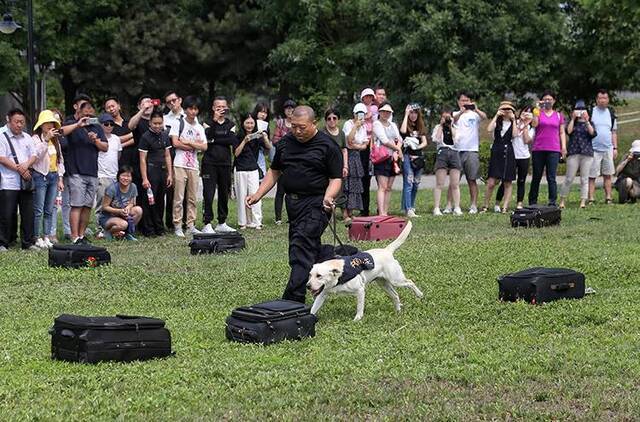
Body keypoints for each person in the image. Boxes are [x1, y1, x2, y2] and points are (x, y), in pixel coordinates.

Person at [246, 105, 343, 303]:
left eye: (302, 127)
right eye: (294, 127)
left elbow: (336, 178)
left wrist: (328, 197)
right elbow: (274, 171)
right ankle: (335, 259)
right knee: (306, 248)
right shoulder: (285, 143)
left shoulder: (327, 145)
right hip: (293, 204)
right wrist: (258, 193)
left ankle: (293, 299)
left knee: (301, 247)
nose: (297, 131)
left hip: (317, 203)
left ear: (314, 123)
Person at [62, 100, 108, 244]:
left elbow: (105, 147)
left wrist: (96, 141)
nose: (88, 114)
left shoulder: (96, 127)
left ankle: (81, 235)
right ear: (79, 111)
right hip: (76, 171)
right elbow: (61, 132)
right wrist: (78, 124)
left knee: (88, 206)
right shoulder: (71, 123)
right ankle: (74, 236)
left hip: (92, 172)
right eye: (85, 111)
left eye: (90, 111)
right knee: (76, 205)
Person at [0, 109, 38, 251]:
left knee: (28, 213)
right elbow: (2, 158)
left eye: (22, 122)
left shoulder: (27, 137)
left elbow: (34, 155)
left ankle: (27, 243)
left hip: (26, 181)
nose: (19, 125)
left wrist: (26, 166)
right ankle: (3, 242)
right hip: (8, 181)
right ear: (8, 120)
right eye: (16, 122)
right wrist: (20, 169)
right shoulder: (2, 136)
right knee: (6, 213)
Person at [170, 95, 207, 237]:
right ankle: (177, 225)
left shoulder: (199, 127)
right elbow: (175, 143)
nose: (193, 111)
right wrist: (193, 146)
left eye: (195, 109)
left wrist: (189, 143)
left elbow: (204, 147)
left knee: (192, 198)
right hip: (179, 164)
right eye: (190, 108)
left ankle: (190, 225)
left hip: (193, 166)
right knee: (178, 197)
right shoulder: (177, 123)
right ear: (185, 110)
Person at [202, 96, 237, 234]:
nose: (221, 109)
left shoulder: (231, 124)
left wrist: (216, 139)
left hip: (225, 163)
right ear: (213, 108)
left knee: (224, 192)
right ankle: (207, 222)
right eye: (218, 107)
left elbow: (232, 141)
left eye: (223, 107)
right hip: (209, 163)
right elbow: (207, 138)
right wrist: (215, 122)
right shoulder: (207, 122)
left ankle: (222, 222)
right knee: (208, 193)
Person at [31, 110, 65, 249]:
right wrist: (45, 139)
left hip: (53, 176)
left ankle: (46, 236)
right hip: (40, 176)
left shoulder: (56, 141)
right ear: (41, 125)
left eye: (51, 123)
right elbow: (36, 156)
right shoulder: (36, 139)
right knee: (38, 209)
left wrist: (60, 178)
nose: (49, 125)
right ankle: (36, 237)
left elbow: (60, 160)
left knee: (49, 209)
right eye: (46, 123)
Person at [529, 90, 567, 206]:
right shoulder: (538, 113)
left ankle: (552, 202)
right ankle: (532, 201)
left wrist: (563, 147)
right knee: (537, 176)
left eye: (550, 99)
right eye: (545, 99)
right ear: (541, 101)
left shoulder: (559, 115)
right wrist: (536, 111)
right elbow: (534, 125)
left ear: (554, 101)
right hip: (538, 149)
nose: (547, 101)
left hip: (554, 149)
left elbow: (561, 132)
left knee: (551, 177)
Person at [234, 112, 271, 229]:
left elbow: (269, 148)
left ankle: (257, 221)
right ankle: (243, 222)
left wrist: (265, 137)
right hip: (240, 169)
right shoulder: (238, 136)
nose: (249, 125)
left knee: (255, 195)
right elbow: (236, 153)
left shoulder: (257, 136)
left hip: (253, 169)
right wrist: (244, 141)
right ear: (243, 124)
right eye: (247, 123)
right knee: (241, 196)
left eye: (251, 123)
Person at [452, 91, 487, 214]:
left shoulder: (475, 115)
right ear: (458, 102)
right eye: (462, 100)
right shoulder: (456, 114)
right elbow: (453, 119)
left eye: (467, 100)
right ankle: (450, 205)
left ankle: (473, 205)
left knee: (472, 179)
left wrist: (476, 109)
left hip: (472, 150)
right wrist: (461, 111)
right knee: (454, 181)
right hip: (457, 150)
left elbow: (484, 117)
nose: (465, 102)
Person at [139, 110, 173, 236]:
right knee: (149, 201)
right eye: (155, 123)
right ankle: (149, 229)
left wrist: (170, 174)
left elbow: (168, 155)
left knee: (160, 201)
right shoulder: (145, 137)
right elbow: (142, 159)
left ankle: (160, 228)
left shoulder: (165, 135)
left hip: (162, 172)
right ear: (150, 123)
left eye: (160, 123)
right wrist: (145, 178)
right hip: (150, 172)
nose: (157, 126)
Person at [482, 101, 518, 213]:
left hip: (508, 152)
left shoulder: (513, 122)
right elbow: (488, 129)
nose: (506, 111)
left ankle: (505, 207)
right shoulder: (497, 121)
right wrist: (496, 115)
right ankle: (485, 205)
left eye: (509, 109)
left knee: (508, 181)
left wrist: (514, 119)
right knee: (491, 182)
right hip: (497, 151)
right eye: (504, 109)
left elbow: (515, 135)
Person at [495, 106, 534, 210]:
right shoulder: (513, 122)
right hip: (511, 155)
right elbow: (512, 135)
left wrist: (526, 125)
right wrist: (518, 121)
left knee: (521, 180)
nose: (526, 115)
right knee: (506, 180)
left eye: (529, 113)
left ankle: (519, 203)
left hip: (524, 156)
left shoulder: (531, 128)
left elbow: (526, 140)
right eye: (524, 112)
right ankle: (497, 203)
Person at [559, 100, 595, 209]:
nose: (580, 112)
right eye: (578, 110)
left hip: (587, 153)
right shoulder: (571, 122)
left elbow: (592, 133)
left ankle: (583, 201)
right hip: (573, 152)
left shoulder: (590, 122)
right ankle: (562, 200)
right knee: (569, 178)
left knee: (584, 178)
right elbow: (568, 132)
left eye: (582, 110)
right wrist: (573, 119)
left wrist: (587, 121)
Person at [163, 90, 188, 230]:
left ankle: (186, 220)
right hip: (171, 153)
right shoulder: (165, 119)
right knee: (172, 188)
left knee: (186, 189)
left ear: (180, 100)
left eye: (174, 100)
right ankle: (171, 222)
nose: (172, 103)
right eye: (168, 102)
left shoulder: (190, 116)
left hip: (187, 155)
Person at [95, 113, 123, 237]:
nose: (109, 126)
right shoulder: (97, 139)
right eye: (106, 124)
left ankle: (112, 227)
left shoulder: (116, 139)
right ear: (100, 125)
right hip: (102, 174)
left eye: (111, 124)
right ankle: (100, 228)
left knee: (114, 204)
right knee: (101, 202)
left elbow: (118, 156)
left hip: (114, 175)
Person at [372, 102, 403, 216]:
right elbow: (384, 140)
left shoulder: (393, 125)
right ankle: (381, 213)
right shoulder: (376, 124)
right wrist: (398, 149)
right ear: (379, 112)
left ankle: (386, 211)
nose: (386, 114)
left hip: (393, 158)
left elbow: (399, 139)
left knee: (389, 187)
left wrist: (396, 150)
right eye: (384, 111)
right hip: (382, 158)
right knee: (382, 186)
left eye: (388, 112)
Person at [588, 89, 618, 204]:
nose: (602, 100)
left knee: (608, 174)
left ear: (608, 99)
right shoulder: (591, 112)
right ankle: (591, 198)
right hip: (593, 148)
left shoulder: (611, 113)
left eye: (605, 98)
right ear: (597, 99)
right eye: (600, 98)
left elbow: (614, 132)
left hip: (608, 148)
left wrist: (615, 148)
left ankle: (608, 198)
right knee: (592, 175)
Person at [432, 108, 462, 216]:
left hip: (454, 152)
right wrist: (441, 125)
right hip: (442, 152)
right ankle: (436, 208)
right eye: (444, 117)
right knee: (440, 183)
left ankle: (457, 207)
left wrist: (450, 125)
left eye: (448, 117)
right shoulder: (437, 127)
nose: (446, 119)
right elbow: (436, 139)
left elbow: (457, 140)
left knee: (455, 183)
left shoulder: (456, 128)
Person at [399, 103, 428, 217]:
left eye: (415, 112)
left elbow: (425, 142)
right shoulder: (405, 125)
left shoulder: (420, 126)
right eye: (411, 112)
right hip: (407, 156)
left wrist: (416, 147)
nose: (413, 115)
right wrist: (406, 115)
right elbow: (402, 131)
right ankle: (408, 208)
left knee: (416, 183)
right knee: (409, 182)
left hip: (418, 157)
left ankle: (411, 205)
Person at [341, 104, 368, 224]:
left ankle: (351, 211)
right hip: (348, 155)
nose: (360, 116)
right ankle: (344, 213)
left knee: (355, 184)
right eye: (358, 113)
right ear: (354, 114)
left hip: (357, 156)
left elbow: (364, 145)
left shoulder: (364, 127)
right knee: (347, 184)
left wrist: (357, 146)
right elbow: (349, 141)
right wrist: (355, 127)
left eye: (362, 113)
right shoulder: (349, 124)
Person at [100, 165, 142, 241]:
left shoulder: (133, 187)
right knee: (123, 224)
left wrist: (128, 208)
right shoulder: (112, 188)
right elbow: (104, 207)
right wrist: (118, 211)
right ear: (118, 176)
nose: (126, 178)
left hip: (123, 214)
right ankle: (108, 232)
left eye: (128, 176)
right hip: (108, 217)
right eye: (123, 175)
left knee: (138, 210)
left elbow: (132, 203)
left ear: (132, 178)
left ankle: (127, 234)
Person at [272, 99, 295, 224]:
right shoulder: (280, 123)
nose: (290, 110)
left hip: (296, 161)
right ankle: (278, 218)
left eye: (292, 108)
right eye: (287, 108)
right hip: (282, 160)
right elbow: (275, 141)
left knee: (292, 192)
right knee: (280, 191)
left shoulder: (298, 123)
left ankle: (292, 217)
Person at [359, 89, 376, 216]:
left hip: (373, 145)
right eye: (366, 96)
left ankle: (366, 209)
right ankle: (361, 208)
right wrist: (365, 117)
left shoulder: (376, 109)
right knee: (360, 178)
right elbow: (357, 123)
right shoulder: (359, 108)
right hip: (361, 145)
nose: (368, 98)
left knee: (367, 179)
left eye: (370, 96)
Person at [104, 96, 133, 167]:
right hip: (116, 163)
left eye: (113, 106)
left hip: (133, 160)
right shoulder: (107, 126)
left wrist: (122, 145)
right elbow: (112, 141)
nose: (111, 109)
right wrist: (131, 135)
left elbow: (137, 138)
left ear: (119, 106)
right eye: (108, 107)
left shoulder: (129, 123)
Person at [253, 102, 271, 179]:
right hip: (250, 153)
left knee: (261, 178)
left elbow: (267, 147)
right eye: (261, 112)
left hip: (260, 154)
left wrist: (265, 138)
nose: (263, 114)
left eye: (265, 112)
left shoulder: (266, 127)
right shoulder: (251, 123)